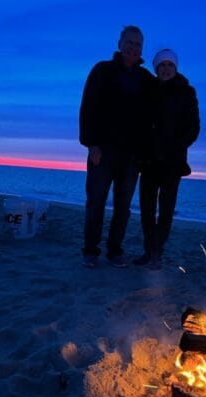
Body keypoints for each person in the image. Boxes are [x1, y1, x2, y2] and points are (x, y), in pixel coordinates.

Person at [79, 26, 154, 268]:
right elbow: (88, 108)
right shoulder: (102, 71)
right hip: (103, 151)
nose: (134, 48)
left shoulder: (145, 79)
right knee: (96, 202)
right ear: (120, 43)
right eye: (130, 42)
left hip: (131, 156)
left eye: (138, 44)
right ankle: (91, 251)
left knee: (123, 207)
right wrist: (92, 144)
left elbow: (160, 103)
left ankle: (114, 251)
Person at [133, 49, 200, 270]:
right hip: (149, 162)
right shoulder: (148, 91)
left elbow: (193, 128)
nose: (166, 69)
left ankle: (157, 253)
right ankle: (148, 250)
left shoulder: (187, 92)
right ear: (156, 68)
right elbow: (140, 124)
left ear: (176, 68)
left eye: (170, 65)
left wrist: (174, 146)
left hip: (173, 163)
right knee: (147, 210)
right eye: (162, 66)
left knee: (166, 210)